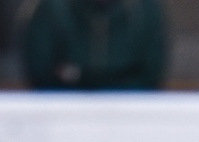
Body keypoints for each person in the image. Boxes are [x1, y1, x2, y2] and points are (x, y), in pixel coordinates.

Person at [18, 0, 168, 91]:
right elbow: (42, 73)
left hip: (128, 112)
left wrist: (80, 76)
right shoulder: (51, 8)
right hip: (64, 113)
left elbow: (149, 76)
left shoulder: (143, 10)